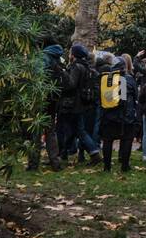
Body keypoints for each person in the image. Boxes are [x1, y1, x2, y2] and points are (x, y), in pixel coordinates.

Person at [59, 44, 100, 164]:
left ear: (74, 55)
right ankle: (64, 154)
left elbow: (71, 84)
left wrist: (64, 74)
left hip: (72, 104)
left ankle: (94, 152)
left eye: (71, 52)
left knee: (75, 131)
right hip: (81, 104)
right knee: (76, 131)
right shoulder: (86, 67)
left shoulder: (76, 67)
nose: (69, 55)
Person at [28, 43, 66, 172]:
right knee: (51, 132)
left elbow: (37, 76)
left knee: (36, 132)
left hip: (41, 99)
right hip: (53, 100)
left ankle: (33, 164)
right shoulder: (58, 60)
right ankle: (55, 163)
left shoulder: (43, 58)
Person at [98, 57, 139, 172]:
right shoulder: (128, 79)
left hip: (109, 115)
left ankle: (107, 167)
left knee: (107, 140)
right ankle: (124, 166)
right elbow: (136, 96)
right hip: (126, 116)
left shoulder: (106, 79)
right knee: (127, 139)